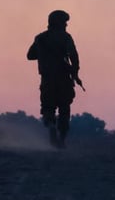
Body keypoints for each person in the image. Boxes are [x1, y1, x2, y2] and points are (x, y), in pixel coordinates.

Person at [27, 9, 82, 148]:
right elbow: (74, 56)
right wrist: (75, 73)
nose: (66, 25)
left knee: (48, 107)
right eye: (64, 22)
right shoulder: (65, 37)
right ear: (59, 22)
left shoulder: (40, 38)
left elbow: (30, 55)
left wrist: (44, 55)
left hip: (47, 79)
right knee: (64, 109)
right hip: (63, 79)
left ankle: (51, 126)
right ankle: (62, 140)